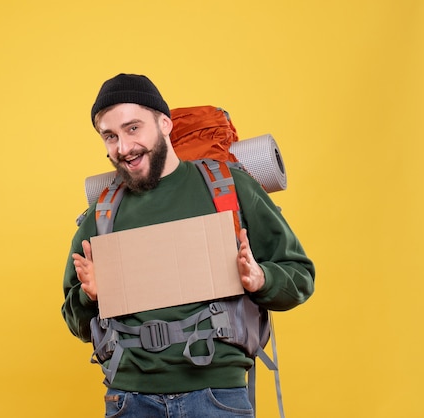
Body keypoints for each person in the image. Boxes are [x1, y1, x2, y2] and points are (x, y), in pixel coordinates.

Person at [61, 73, 315, 418]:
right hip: (129, 401)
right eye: (110, 136)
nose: (123, 148)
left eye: (133, 128)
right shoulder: (103, 214)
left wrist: (261, 279)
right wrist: (89, 296)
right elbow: (74, 320)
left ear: (164, 123)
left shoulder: (227, 188)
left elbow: (300, 276)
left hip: (216, 398)